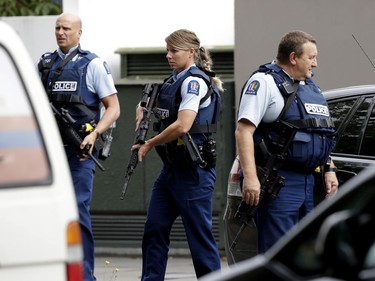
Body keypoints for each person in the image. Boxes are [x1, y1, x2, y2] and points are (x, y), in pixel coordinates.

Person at [235, 30, 339, 254]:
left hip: (309, 182)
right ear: (293, 58)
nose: (316, 63)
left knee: (305, 254)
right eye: (311, 57)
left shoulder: (310, 87)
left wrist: (329, 168)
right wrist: (251, 179)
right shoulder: (264, 83)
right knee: (279, 254)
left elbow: (319, 132)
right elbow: (243, 131)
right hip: (279, 182)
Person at [132, 29, 223, 280]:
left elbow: (183, 124)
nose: (168, 56)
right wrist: (142, 107)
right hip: (171, 170)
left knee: (200, 240)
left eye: (174, 51)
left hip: (194, 172)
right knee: (154, 230)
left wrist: (149, 143)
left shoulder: (194, 81)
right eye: (167, 50)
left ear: (191, 52)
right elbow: (162, 107)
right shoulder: (173, 80)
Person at [37, 13, 120, 281]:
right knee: (48, 214)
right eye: (57, 28)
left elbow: (114, 108)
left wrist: (96, 133)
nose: (61, 32)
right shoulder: (45, 64)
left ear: (79, 32)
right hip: (51, 152)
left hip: (80, 152)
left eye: (66, 28)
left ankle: (85, 277)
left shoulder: (93, 64)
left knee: (77, 211)